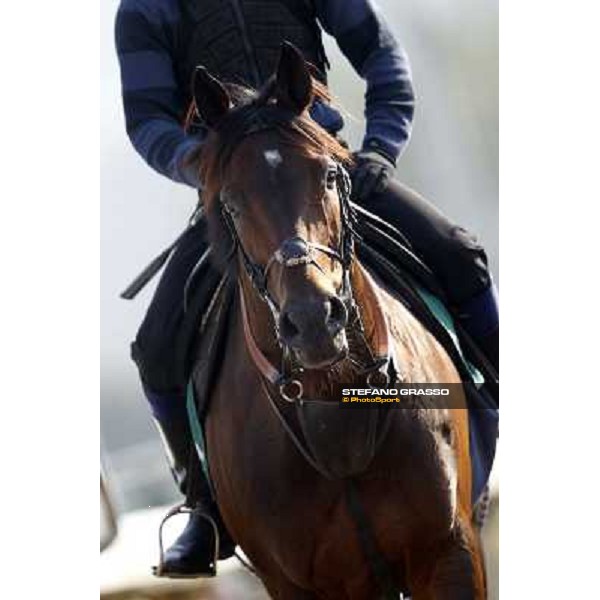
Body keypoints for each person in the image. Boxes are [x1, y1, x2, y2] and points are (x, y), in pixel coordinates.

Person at [115, 0, 499, 578]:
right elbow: (147, 120)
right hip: (238, 190)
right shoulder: (146, 8)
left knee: (460, 253)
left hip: (321, 169)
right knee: (155, 347)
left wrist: (380, 149)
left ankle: (498, 402)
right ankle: (202, 505)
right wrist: (213, 164)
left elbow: (381, 55)